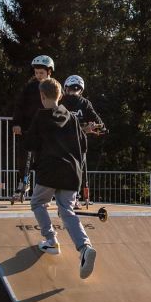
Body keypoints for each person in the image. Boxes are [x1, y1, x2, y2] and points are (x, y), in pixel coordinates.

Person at [24, 78, 97, 279]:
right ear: (61, 96)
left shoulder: (40, 116)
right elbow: (83, 145)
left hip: (49, 170)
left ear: (42, 96)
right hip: (72, 171)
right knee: (67, 210)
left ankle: (51, 240)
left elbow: (30, 144)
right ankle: (84, 247)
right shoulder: (72, 117)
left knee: (38, 202)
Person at [11, 55, 54, 200]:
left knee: (44, 158)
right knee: (23, 156)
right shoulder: (30, 87)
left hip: (46, 129)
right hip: (29, 127)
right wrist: (16, 123)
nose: (38, 75)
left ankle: (44, 187)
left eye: (41, 73)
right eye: (36, 72)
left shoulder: (53, 87)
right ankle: (23, 181)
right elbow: (19, 105)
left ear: (49, 72)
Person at [60, 75, 107, 208]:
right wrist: (97, 127)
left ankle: (70, 198)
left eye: (75, 89)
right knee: (76, 169)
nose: (74, 92)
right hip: (71, 142)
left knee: (71, 169)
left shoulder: (71, 102)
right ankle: (71, 198)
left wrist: (99, 127)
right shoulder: (77, 102)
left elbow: (99, 122)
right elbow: (100, 123)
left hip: (69, 142)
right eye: (73, 89)